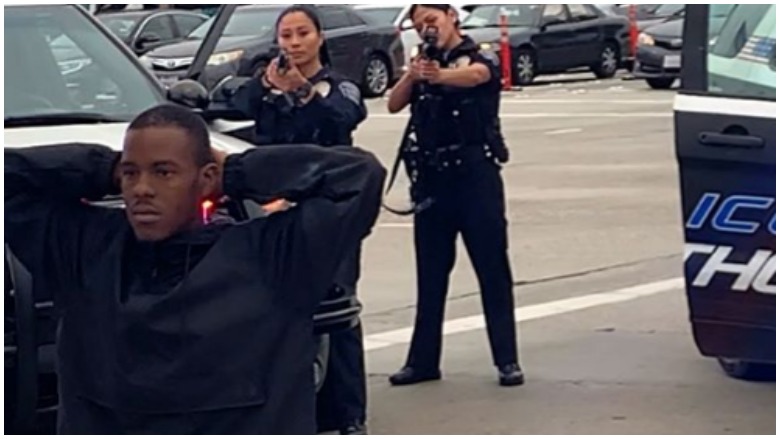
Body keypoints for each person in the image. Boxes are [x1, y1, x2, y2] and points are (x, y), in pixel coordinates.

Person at [4, 104, 386, 434]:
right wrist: (103, 167)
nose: (141, 189)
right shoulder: (85, 251)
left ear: (206, 179)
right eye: (131, 174)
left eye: (163, 172)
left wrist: (236, 171)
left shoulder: (273, 258)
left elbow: (360, 176)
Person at [229, 6, 370, 435]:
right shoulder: (267, 83)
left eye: (302, 33)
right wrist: (266, 87)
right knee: (280, 312)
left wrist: (304, 91)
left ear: (319, 38)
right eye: (286, 35)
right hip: (274, 212)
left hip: (328, 212)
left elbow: (347, 116)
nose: (293, 42)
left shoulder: (338, 86)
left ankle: (347, 415)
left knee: (336, 308)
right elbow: (230, 104)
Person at [385, 4, 525, 388]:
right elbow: (393, 104)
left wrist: (440, 74)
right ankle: (423, 361)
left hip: (475, 176)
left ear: (451, 16)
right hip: (433, 179)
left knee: (492, 268)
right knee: (430, 274)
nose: (426, 29)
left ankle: (507, 360)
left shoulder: (477, 55)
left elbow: (479, 75)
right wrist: (414, 76)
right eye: (418, 25)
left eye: (431, 20)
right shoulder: (422, 62)